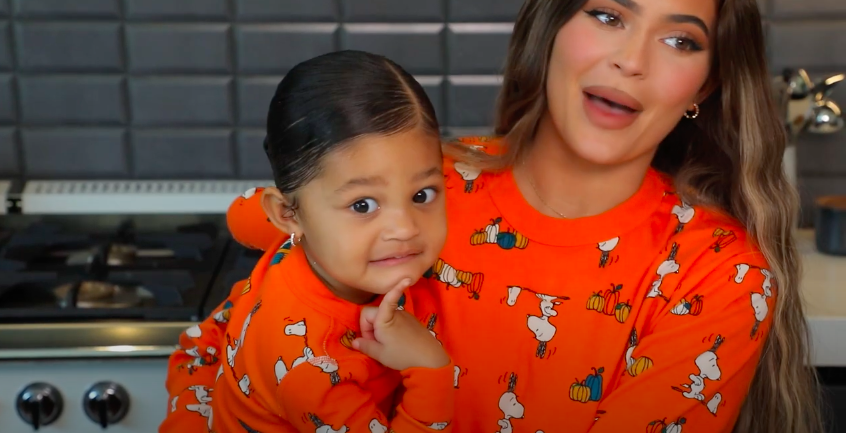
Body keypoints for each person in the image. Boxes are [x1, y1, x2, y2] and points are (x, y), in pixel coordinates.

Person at [162, 0, 823, 431]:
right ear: (551, 29)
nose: (632, 60)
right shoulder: (417, 186)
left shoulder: (717, 279)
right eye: (608, 14)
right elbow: (224, 345)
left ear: (702, 89)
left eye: (680, 40)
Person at [160, 50, 455, 432]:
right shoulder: (312, 367)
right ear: (287, 214)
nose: (405, 228)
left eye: (422, 195)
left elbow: (244, 216)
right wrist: (430, 370)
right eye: (363, 204)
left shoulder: (309, 234)